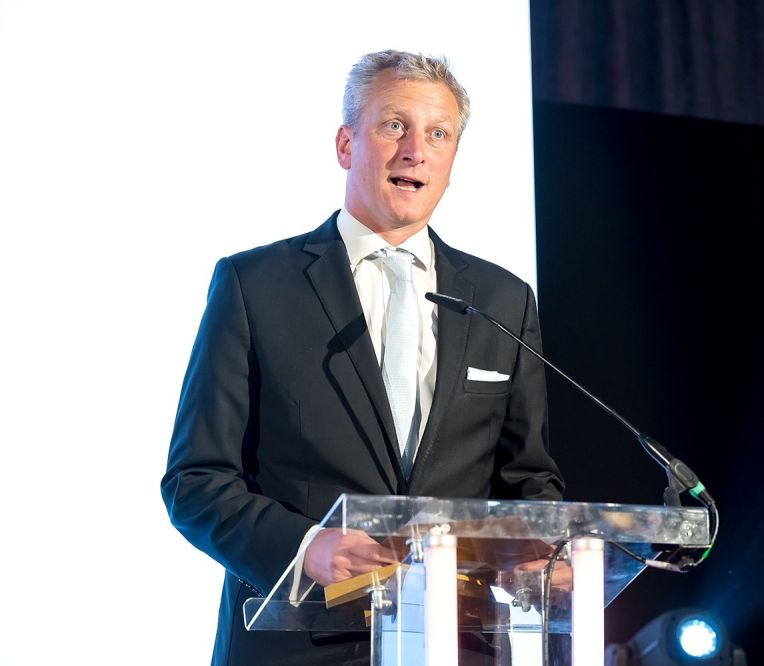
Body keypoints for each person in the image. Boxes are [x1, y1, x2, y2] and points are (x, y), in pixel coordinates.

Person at [160, 49, 565, 666]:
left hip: (455, 644)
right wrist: (305, 547)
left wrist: (543, 550)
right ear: (346, 145)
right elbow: (196, 481)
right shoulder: (256, 285)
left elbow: (527, 479)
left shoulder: (501, 301)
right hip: (296, 647)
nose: (415, 151)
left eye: (438, 134)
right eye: (393, 125)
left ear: (453, 160)